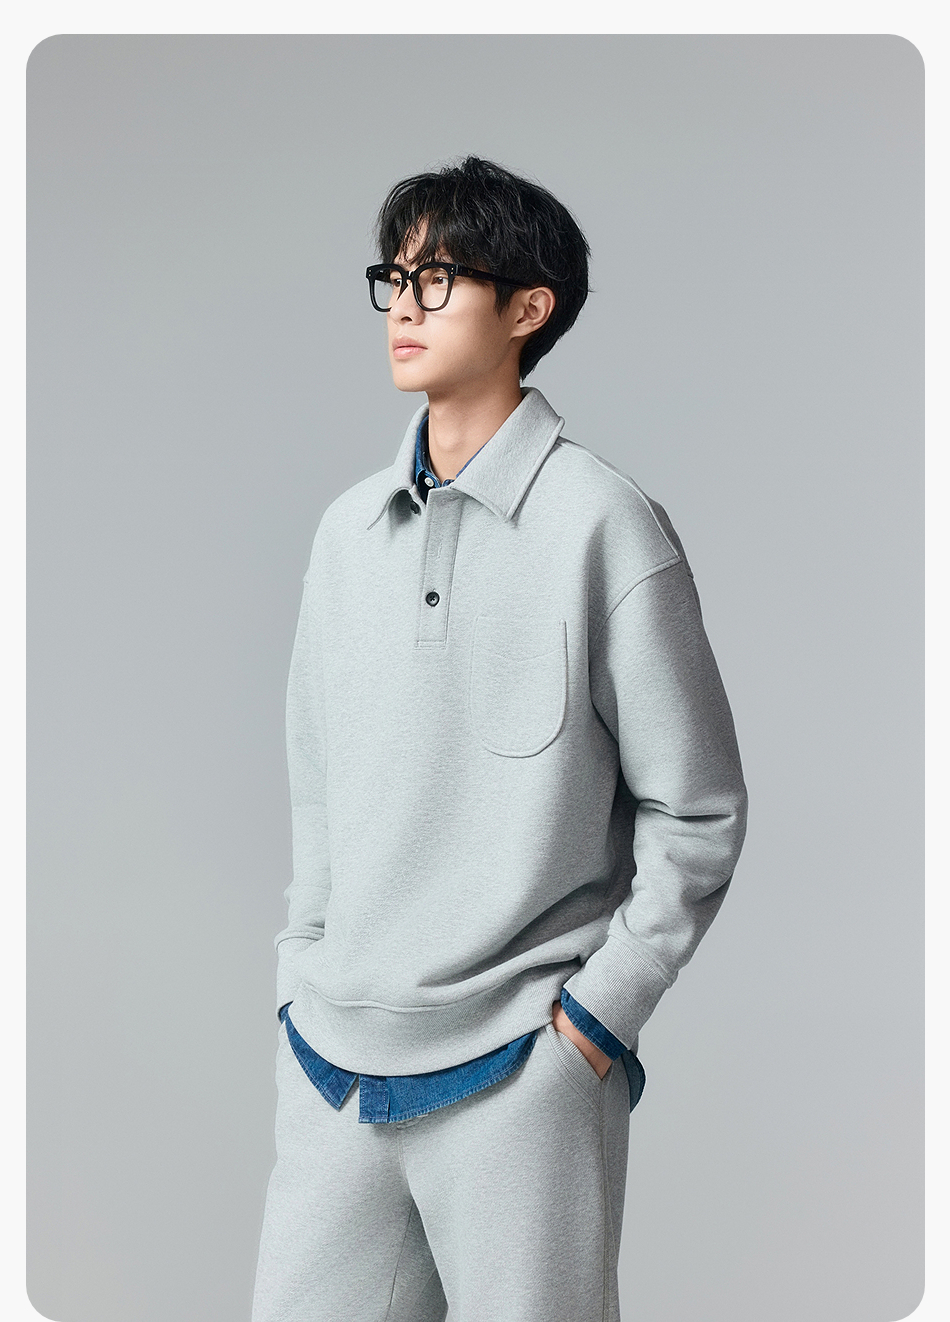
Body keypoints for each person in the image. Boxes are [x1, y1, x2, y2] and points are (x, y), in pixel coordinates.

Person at [251, 155, 748, 1322]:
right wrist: (298, 977)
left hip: (520, 1065)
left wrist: (596, 1020)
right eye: (395, 277)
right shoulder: (344, 534)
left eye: (440, 277)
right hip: (332, 1060)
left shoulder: (604, 525)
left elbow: (698, 809)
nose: (405, 304)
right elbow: (316, 783)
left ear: (528, 308)